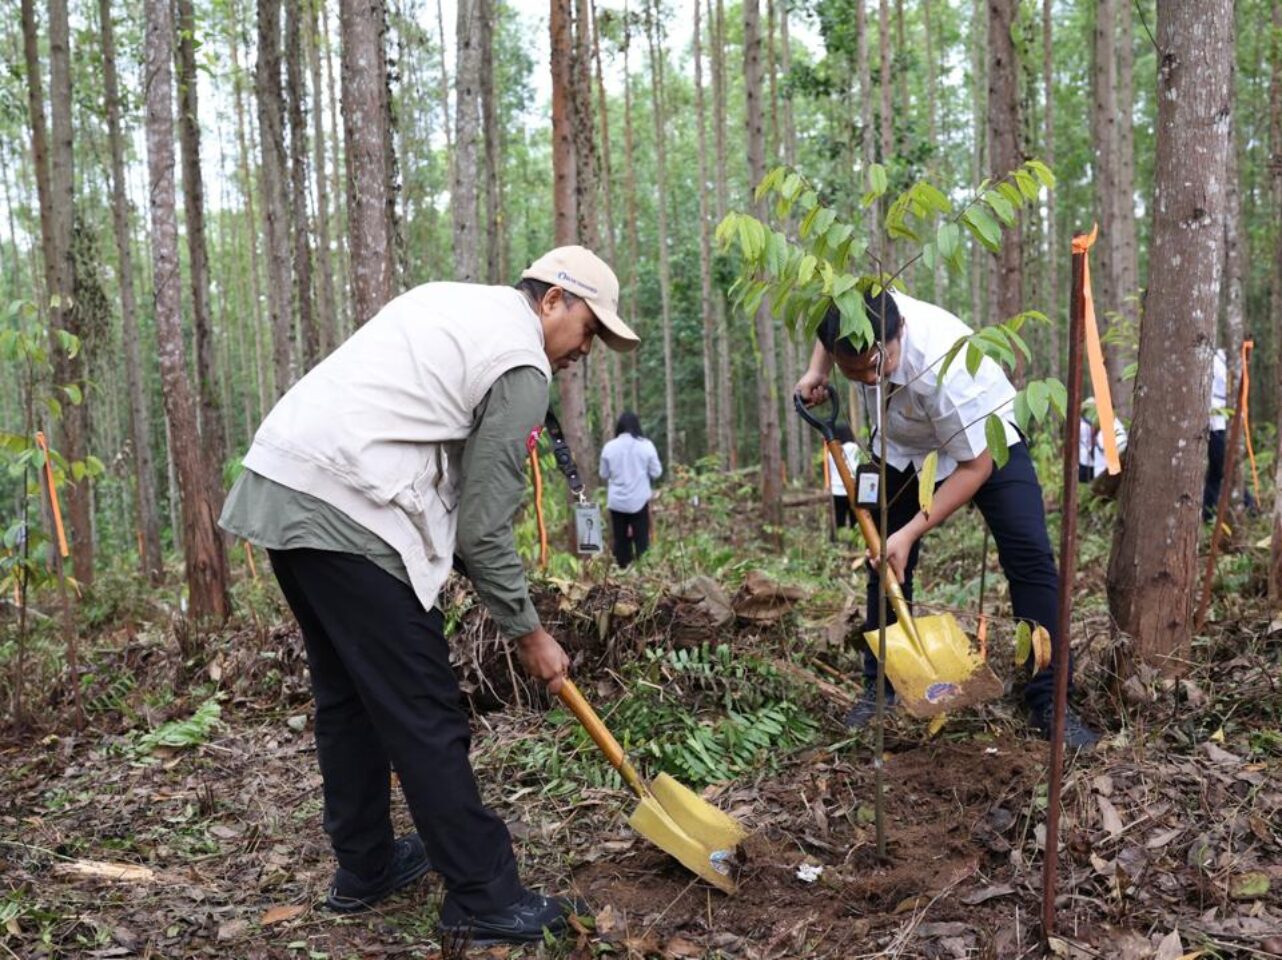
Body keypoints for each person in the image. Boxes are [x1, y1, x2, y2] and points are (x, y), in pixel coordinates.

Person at [220, 246, 639, 944]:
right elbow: (481, 529)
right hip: (350, 508)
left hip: (283, 486)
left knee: (349, 699)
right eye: (589, 330)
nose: (583, 352)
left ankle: (367, 866)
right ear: (552, 300)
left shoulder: (456, 302)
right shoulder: (521, 360)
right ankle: (481, 892)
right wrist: (529, 631)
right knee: (424, 709)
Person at [795, 288, 1098, 748]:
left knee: (1031, 558)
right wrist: (817, 370)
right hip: (900, 444)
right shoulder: (862, 307)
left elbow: (975, 467)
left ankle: (1049, 702)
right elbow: (829, 314)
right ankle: (882, 689)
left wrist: (912, 530)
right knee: (885, 560)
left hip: (983, 437)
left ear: (897, 334)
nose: (869, 381)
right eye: (854, 374)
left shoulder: (945, 370)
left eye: (878, 366)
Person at [599, 411, 662, 567]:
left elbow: (603, 474)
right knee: (642, 539)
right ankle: (643, 571)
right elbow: (657, 472)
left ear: (619, 427)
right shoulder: (646, 446)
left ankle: (622, 570)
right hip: (639, 500)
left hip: (617, 502)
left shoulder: (609, 447)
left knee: (620, 540)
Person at [1203, 347, 1228, 522]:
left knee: (1224, 468)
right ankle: (1208, 512)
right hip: (1215, 422)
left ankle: (1249, 506)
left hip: (1224, 420)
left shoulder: (1227, 360)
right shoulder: (1214, 359)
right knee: (1218, 469)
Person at [826, 422, 862, 531]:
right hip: (852, 488)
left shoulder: (832, 451)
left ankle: (840, 541)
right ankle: (853, 542)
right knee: (855, 519)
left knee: (839, 520)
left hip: (837, 490)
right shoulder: (855, 448)